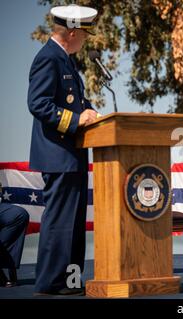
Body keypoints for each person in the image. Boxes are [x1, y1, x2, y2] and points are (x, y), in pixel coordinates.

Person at [27, 5, 99, 295]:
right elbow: (38, 103)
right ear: (71, 32)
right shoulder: (49, 58)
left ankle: (69, 281)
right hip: (58, 154)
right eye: (84, 33)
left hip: (72, 155)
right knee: (59, 223)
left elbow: (74, 102)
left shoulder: (67, 60)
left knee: (73, 224)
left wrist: (90, 111)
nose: (85, 39)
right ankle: (50, 282)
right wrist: (75, 120)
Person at [0, 182, 30, 287]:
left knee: (19, 214)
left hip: (9, 213)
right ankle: (8, 278)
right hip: (9, 211)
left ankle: (6, 277)